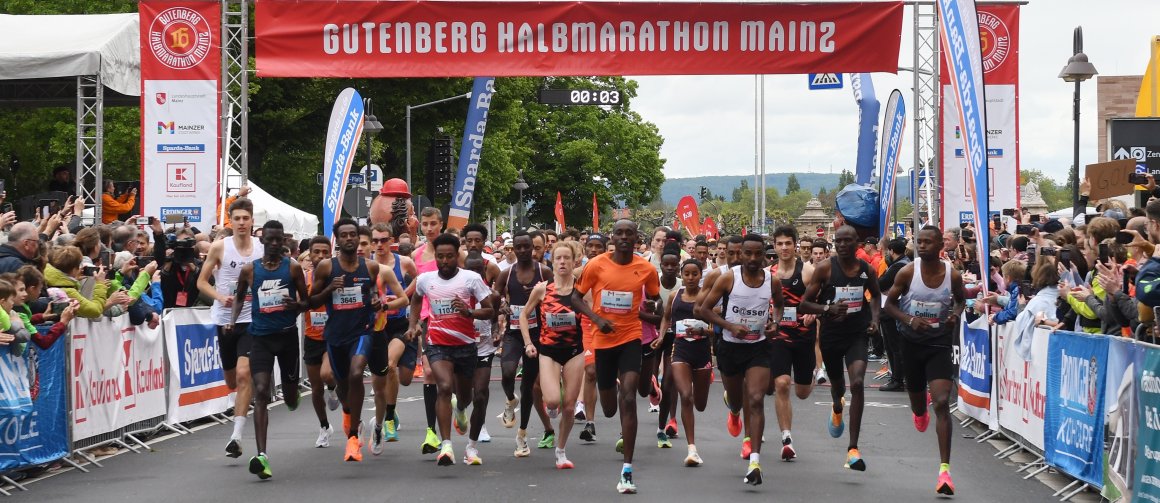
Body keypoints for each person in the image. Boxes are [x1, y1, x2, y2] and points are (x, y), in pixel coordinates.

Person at [572, 219, 661, 494]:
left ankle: (627, 469)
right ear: (613, 237)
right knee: (610, 407)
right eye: (619, 233)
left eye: (629, 233)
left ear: (636, 238)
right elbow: (575, 298)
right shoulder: (597, 265)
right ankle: (609, 400)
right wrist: (596, 319)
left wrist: (654, 305)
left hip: (631, 337)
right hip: (603, 339)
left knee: (630, 396)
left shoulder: (646, 269)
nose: (624, 237)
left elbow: (656, 300)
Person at [309, 218, 409, 462]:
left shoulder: (376, 269)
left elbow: (401, 299)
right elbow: (312, 301)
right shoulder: (327, 267)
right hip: (338, 333)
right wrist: (330, 289)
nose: (358, 243)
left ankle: (376, 429)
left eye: (360, 239)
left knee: (371, 381)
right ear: (339, 240)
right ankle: (350, 415)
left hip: (372, 332)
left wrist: (381, 304)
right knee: (343, 382)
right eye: (347, 236)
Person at [882, 226, 965, 496]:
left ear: (941, 245)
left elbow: (961, 302)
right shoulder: (908, 272)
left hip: (939, 343)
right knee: (919, 404)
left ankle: (945, 471)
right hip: (911, 343)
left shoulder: (952, 275)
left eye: (929, 242)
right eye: (920, 242)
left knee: (942, 401)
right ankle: (919, 411)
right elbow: (889, 305)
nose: (923, 246)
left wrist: (954, 314)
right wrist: (909, 319)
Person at [696, 234, 783, 486]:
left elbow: (779, 306)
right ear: (740, 255)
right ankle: (733, 410)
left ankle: (755, 461)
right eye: (749, 254)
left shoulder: (772, 281)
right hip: (730, 347)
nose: (753, 259)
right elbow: (702, 310)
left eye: (759, 254)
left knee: (755, 399)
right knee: (736, 400)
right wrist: (728, 326)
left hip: (758, 347)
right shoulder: (728, 279)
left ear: (765, 256)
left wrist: (775, 323)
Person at [227, 220, 311, 480]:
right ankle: (262, 455)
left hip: (286, 339)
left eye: (279, 240)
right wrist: (232, 320)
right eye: (270, 240)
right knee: (261, 392)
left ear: (284, 242)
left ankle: (291, 393)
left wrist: (294, 306)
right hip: (260, 339)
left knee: (288, 395)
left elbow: (306, 301)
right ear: (262, 241)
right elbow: (240, 296)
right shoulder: (250, 270)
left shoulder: (293, 268)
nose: (274, 244)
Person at [404, 233, 494, 466]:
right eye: (440, 257)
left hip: (465, 346)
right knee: (443, 387)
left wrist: (469, 312)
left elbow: (489, 310)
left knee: (465, 397)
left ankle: (461, 409)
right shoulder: (425, 279)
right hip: (437, 344)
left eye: (449, 257)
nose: (444, 261)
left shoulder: (471, 279)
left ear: (457, 256)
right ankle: (446, 446)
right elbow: (415, 300)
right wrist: (413, 325)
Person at [800, 225, 881, 472]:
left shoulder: (866, 270)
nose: (843, 245)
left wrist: (875, 319)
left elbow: (876, 296)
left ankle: (853, 449)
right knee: (838, 387)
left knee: (857, 383)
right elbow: (804, 304)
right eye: (840, 241)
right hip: (831, 336)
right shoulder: (825, 269)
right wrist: (827, 309)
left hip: (856, 334)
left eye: (848, 241)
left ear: (857, 243)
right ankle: (836, 407)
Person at [197, 197, 261, 458]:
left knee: (245, 374)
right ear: (231, 221)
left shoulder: (261, 248)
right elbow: (201, 282)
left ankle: (236, 435)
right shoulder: (219, 247)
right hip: (225, 321)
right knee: (232, 380)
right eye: (237, 219)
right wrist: (220, 297)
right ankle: (245, 395)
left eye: (246, 218)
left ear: (252, 221)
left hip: (252, 319)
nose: (242, 223)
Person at [520, 240, 586, 469]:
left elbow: (593, 316)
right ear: (551, 260)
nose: (562, 262)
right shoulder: (542, 289)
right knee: (552, 401)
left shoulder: (581, 290)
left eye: (567, 258)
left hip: (574, 351)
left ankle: (561, 450)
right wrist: (528, 342)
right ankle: (551, 403)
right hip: (547, 351)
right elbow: (523, 315)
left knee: (569, 406)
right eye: (558, 258)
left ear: (574, 260)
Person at [494, 231, 554, 456]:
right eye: (517, 247)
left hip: (537, 334)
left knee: (528, 385)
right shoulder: (507, 274)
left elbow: (556, 297)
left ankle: (522, 434)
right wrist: (502, 305)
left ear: (533, 248)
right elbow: (495, 295)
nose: (521, 251)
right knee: (508, 372)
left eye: (525, 247)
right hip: (514, 332)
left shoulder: (543, 272)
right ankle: (510, 400)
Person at [368, 223, 418, 454]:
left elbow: (420, 280)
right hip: (377, 327)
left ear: (391, 241)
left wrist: (402, 296)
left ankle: (390, 407)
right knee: (389, 366)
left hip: (399, 323)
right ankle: (388, 418)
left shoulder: (403, 263)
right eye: (375, 240)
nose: (379, 244)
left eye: (383, 240)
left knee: (406, 378)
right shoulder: (365, 266)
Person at [658, 253, 712, 467]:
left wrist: (704, 331)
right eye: (686, 274)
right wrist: (661, 336)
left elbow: (715, 328)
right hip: (679, 350)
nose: (690, 277)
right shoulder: (674, 295)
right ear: (682, 275)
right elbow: (666, 318)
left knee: (699, 404)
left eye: (694, 274)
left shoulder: (707, 297)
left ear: (700, 276)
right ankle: (692, 449)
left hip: (702, 352)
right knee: (685, 395)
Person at [768, 225, 816, 461]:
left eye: (788, 243)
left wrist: (813, 313)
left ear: (795, 245)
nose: (784, 247)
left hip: (804, 337)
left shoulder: (807, 272)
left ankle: (812, 375)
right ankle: (786, 438)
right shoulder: (769, 274)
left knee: (803, 392)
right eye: (780, 243)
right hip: (779, 336)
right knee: (782, 384)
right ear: (774, 246)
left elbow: (821, 298)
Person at [302, 236, 339, 448]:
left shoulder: (337, 276)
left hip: (333, 336)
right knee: (316, 389)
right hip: (311, 336)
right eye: (317, 252)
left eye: (326, 252)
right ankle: (324, 427)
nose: (321, 256)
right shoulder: (304, 278)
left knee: (327, 374)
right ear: (310, 254)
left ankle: (333, 389)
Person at [463, 252, 499, 462]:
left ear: (484, 272)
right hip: (462, 349)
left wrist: (495, 332)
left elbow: (494, 317)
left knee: (481, 394)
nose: (474, 274)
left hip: (484, 350)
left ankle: (472, 444)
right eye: (470, 270)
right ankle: (459, 408)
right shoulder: (457, 292)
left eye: (478, 270)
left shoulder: (491, 295)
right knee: (465, 397)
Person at [577, 232, 609, 441]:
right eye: (591, 246)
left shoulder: (613, 270)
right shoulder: (577, 273)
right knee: (590, 372)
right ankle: (590, 423)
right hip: (589, 327)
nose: (594, 250)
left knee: (615, 377)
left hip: (613, 328)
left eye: (599, 247)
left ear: (605, 249)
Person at [877, 238, 911, 392]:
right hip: (895, 308)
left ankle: (897, 379)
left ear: (891, 251)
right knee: (892, 346)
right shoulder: (905, 263)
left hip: (893, 309)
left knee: (894, 346)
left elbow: (881, 283)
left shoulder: (898, 266)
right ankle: (897, 377)